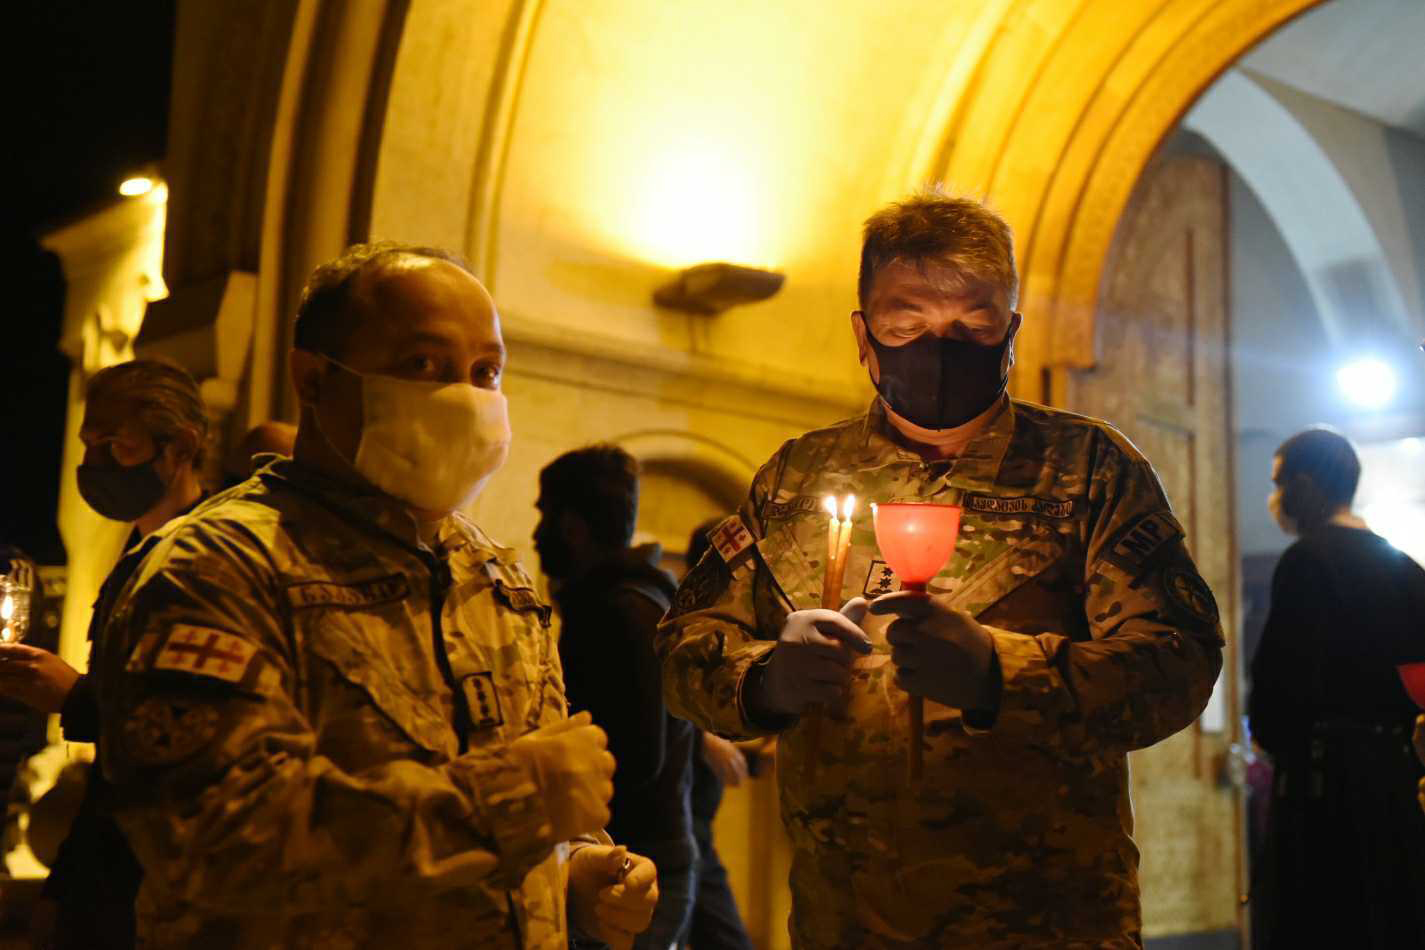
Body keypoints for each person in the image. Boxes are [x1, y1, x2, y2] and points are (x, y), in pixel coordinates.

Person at [657, 192, 1225, 948]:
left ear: (1010, 335)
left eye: (972, 324)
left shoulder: (1086, 471)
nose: (937, 342)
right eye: (905, 321)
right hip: (846, 918)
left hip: (1045, 920)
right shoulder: (797, 479)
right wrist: (768, 678)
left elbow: (1177, 664)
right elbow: (682, 650)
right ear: (863, 336)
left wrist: (999, 672)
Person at [91, 243, 659, 948]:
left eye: (485, 372)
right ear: (314, 379)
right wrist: (515, 800)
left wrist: (574, 871)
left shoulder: (493, 577)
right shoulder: (218, 567)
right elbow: (214, 842)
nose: (465, 398)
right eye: (423, 365)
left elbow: (539, 805)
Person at [0, 359, 210, 950]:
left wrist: (74, 696)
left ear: (181, 447)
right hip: (111, 864)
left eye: (116, 445)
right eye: (88, 443)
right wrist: (67, 884)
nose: (93, 464)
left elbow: (194, 724)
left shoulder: (213, 556)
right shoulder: (141, 544)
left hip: (166, 880)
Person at [1247, 427, 1425, 948]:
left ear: (1305, 484)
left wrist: (1271, 738)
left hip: (1325, 790)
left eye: (1280, 482)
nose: (1276, 498)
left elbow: (1280, 686)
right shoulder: (1407, 570)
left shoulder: (1308, 561)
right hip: (1400, 784)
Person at [535, 446, 697, 949]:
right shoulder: (631, 602)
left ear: (572, 526)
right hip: (638, 861)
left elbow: (633, 758)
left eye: (544, 513)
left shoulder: (618, 613)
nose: (537, 532)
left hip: (630, 868)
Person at [680, 519, 754, 950]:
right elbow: (650, 702)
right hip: (669, 828)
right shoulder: (674, 624)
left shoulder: (732, 626)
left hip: (697, 829)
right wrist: (700, 739)